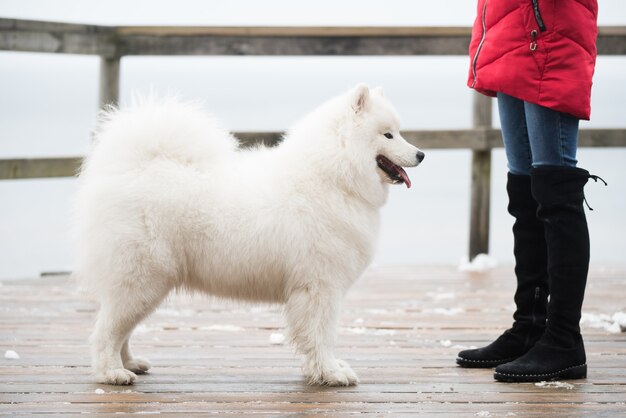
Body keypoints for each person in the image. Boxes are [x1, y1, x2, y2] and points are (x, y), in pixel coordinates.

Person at [456, 0, 605, 382]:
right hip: (511, 39)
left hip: (548, 40)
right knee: (524, 191)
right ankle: (531, 327)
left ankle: (564, 340)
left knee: (556, 189)